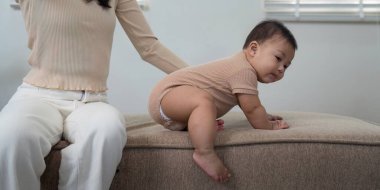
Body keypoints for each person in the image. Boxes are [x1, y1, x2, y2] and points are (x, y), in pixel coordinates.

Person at [0, 0, 188, 189]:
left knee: (108, 128)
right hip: (37, 96)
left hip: (92, 101)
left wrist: (201, 83)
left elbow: (150, 48)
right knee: (10, 134)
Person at [148, 20, 297, 183]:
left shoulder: (242, 68)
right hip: (167, 95)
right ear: (253, 49)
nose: (281, 68)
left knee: (204, 106)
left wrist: (264, 115)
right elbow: (252, 109)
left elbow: (248, 103)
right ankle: (204, 153)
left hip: (174, 105)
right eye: (278, 58)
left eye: (286, 66)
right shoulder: (244, 70)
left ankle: (193, 123)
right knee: (203, 100)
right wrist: (269, 126)